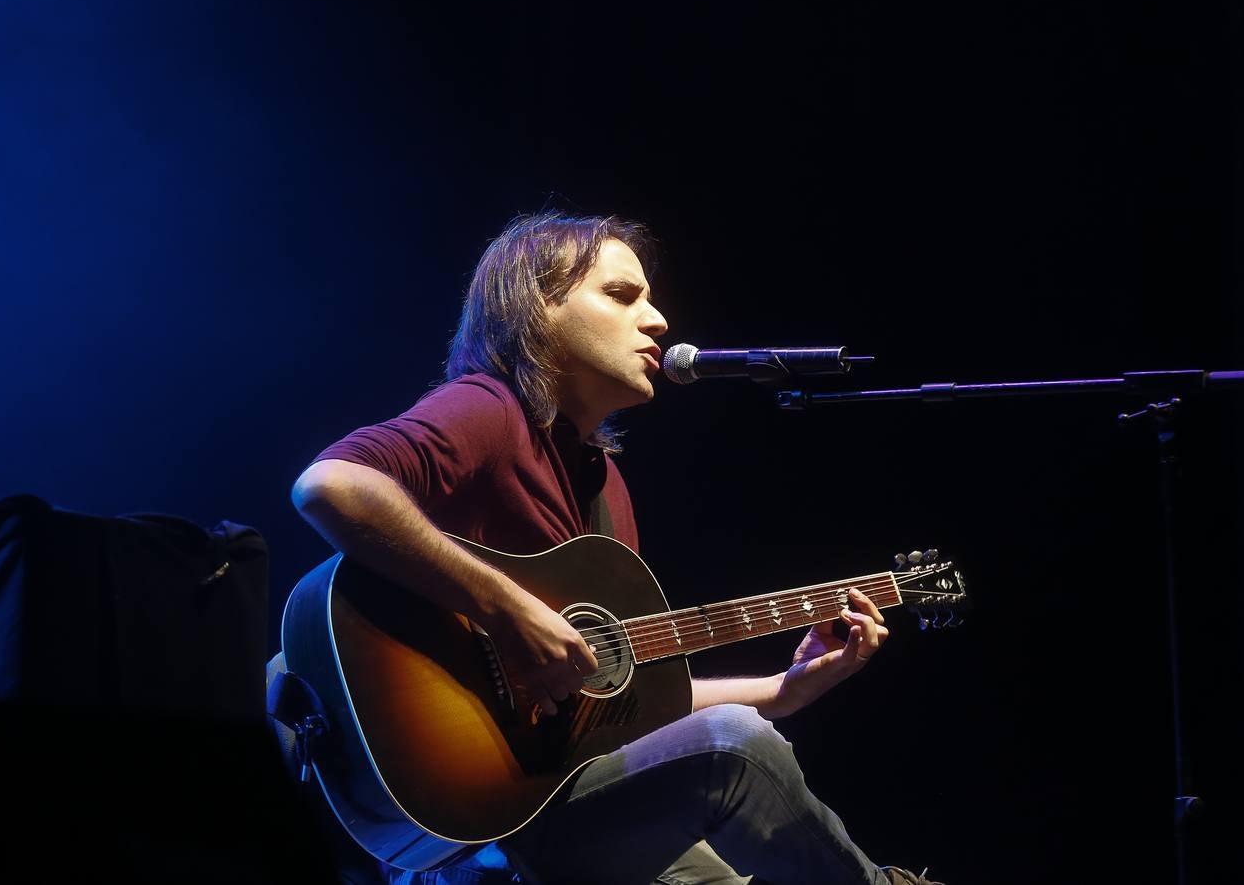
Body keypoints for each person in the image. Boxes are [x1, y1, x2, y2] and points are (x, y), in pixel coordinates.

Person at [291, 212, 942, 885]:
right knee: (734, 744)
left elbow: (615, 704)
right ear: (537, 307)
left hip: (556, 804)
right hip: (476, 831)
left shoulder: (605, 488)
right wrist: (508, 611)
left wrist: (779, 692)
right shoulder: (487, 410)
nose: (658, 321)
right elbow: (330, 485)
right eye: (622, 295)